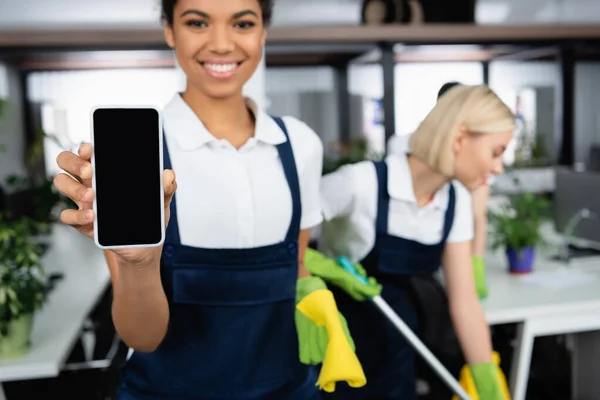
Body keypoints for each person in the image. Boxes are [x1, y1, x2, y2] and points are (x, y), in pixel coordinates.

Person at [53, 0, 363, 399]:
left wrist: (316, 299)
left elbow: (297, 266)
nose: (221, 43)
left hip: (289, 387)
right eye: (197, 22)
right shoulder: (140, 158)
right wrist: (140, 263)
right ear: (170, 30)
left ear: (263, 32)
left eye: (243, 22)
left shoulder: (299, 145)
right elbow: (142, 338)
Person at [317, 84, 514, 399]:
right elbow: (288, 224)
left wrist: (485, 376)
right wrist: (315, 264)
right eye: (496, 152)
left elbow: (464, 302)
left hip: (397, 340)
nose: (498, 167)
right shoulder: (361, 183)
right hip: (334, 343)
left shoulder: (455, 203)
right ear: (460, 138)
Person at [389, 80, 492, 298]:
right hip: (414, 244)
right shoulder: (404, 143)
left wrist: (476, 264)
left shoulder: (478, 153)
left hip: (455, 243)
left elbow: (478, 214)